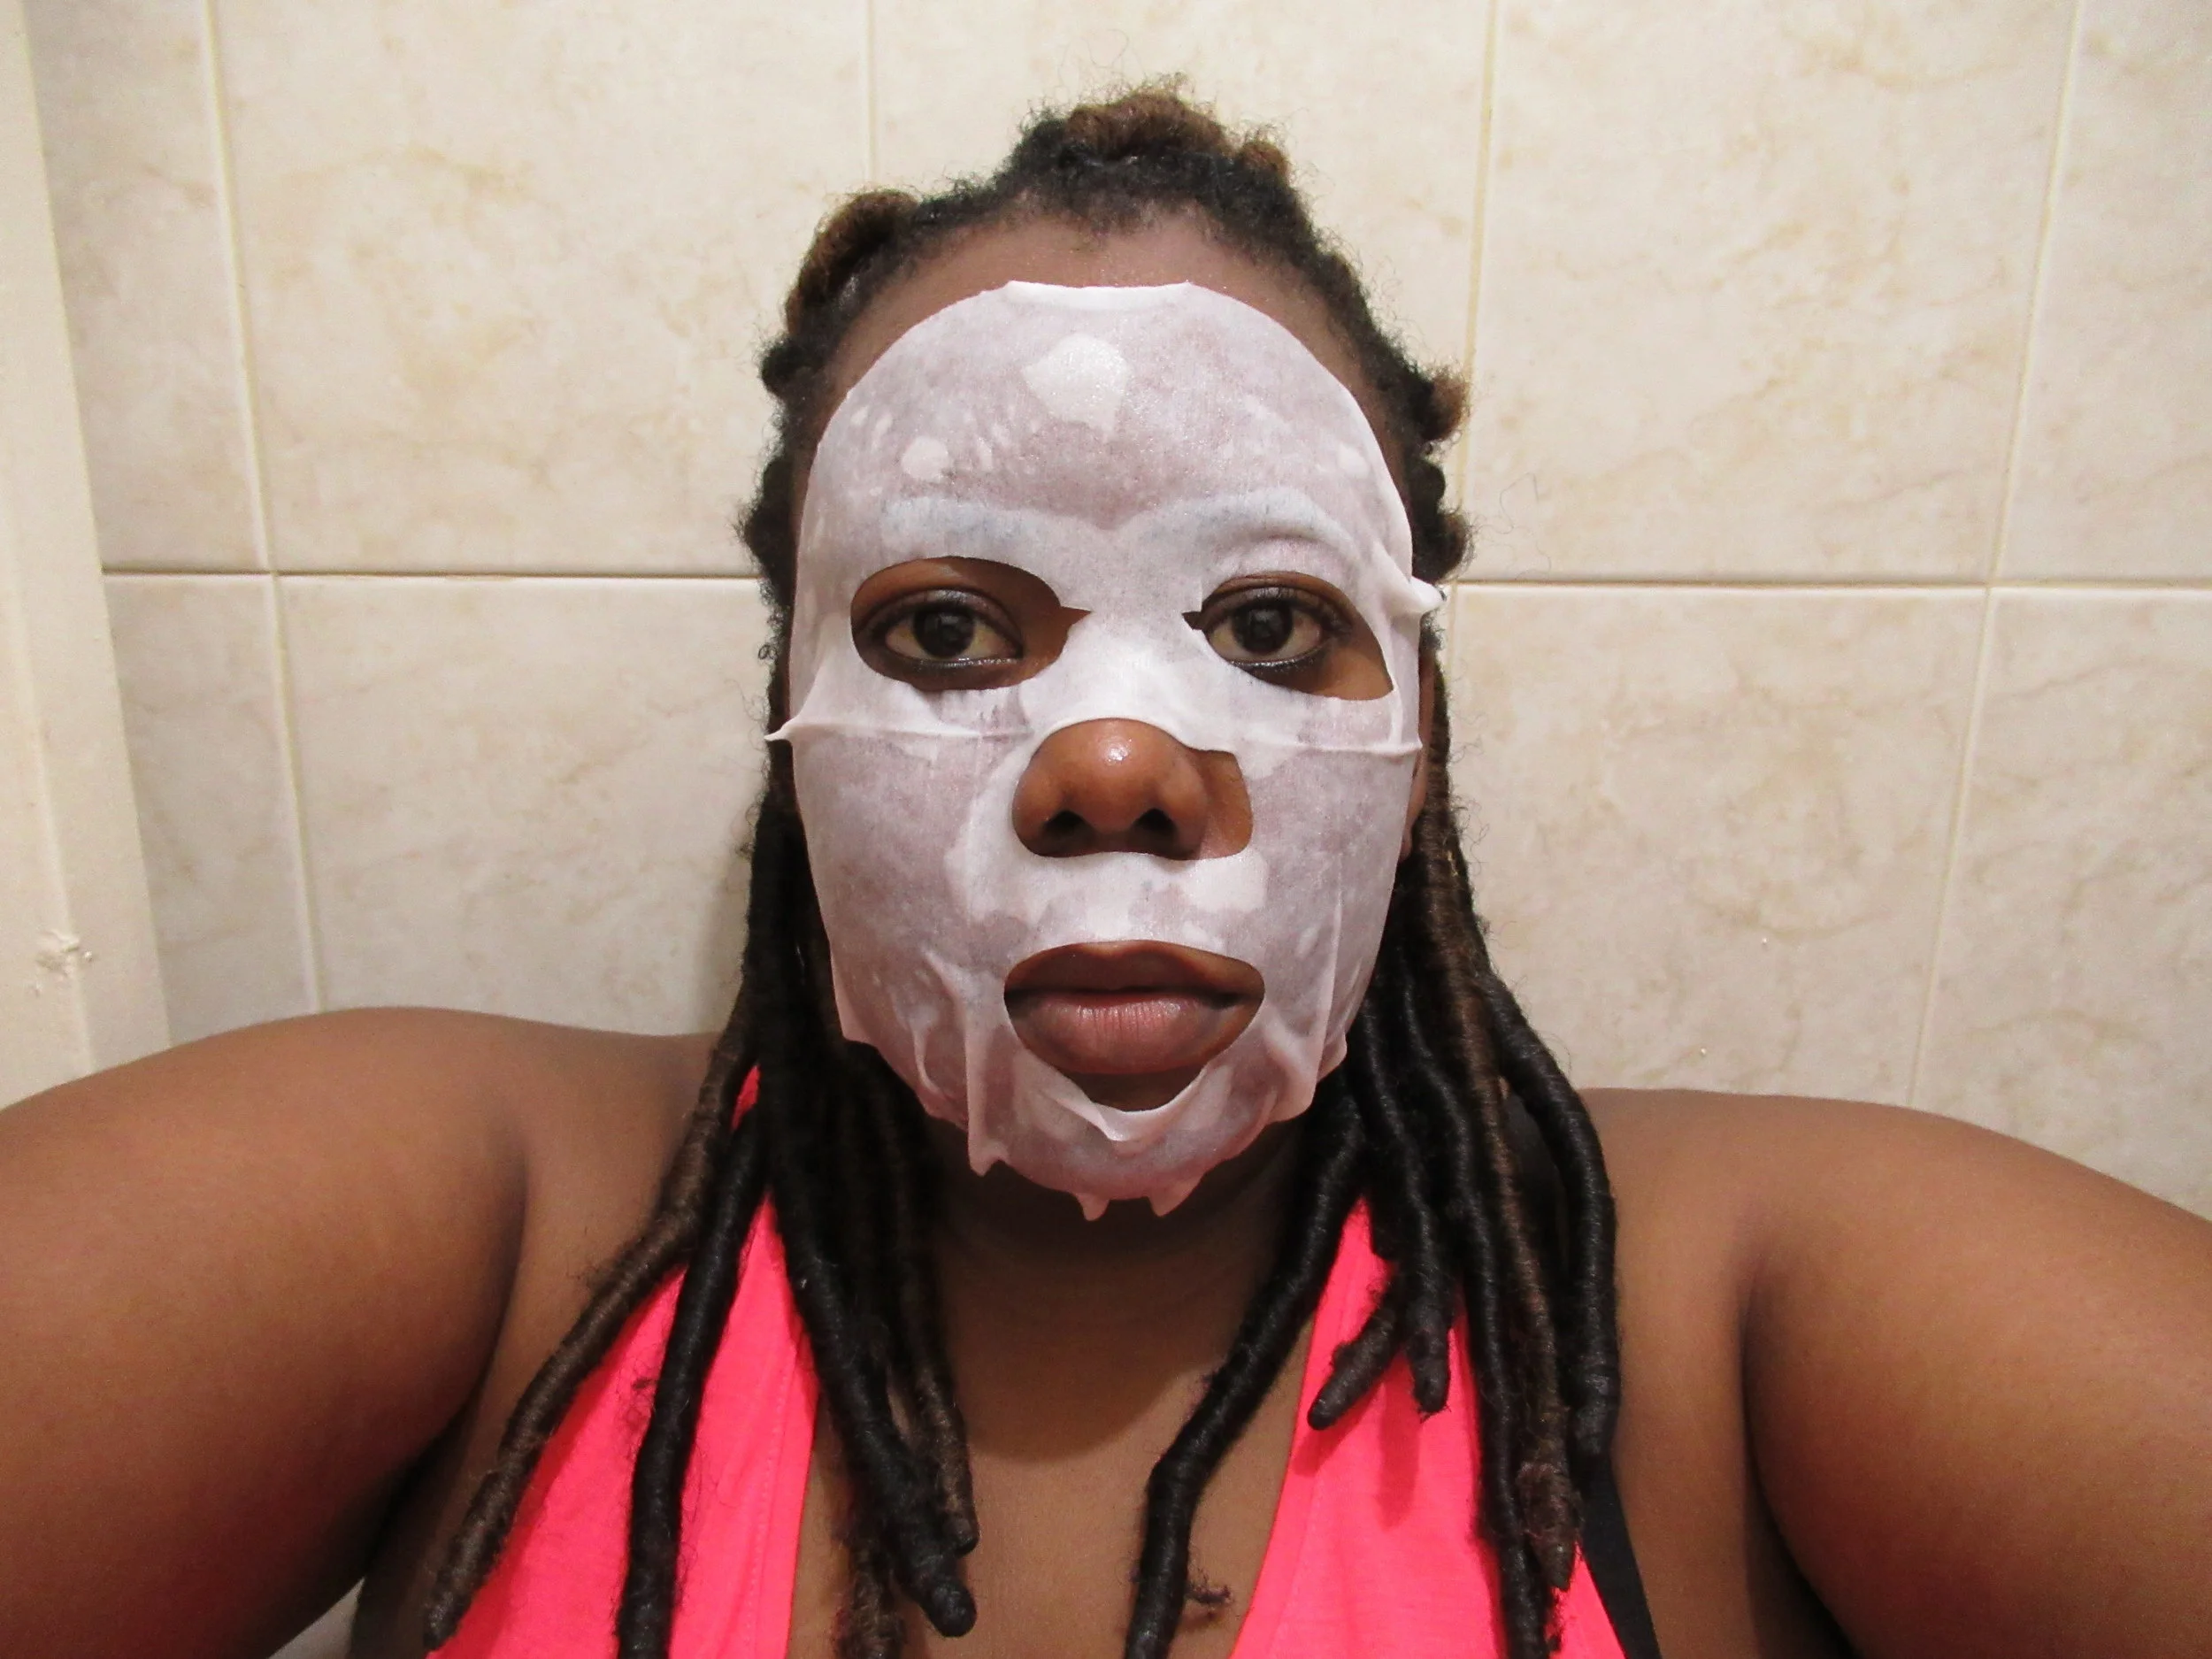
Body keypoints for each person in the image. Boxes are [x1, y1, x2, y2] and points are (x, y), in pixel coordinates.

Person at [2, 88, 2207, 1659]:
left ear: (1415, 744)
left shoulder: (1733, 1310)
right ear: (787, 725)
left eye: (1266, 623)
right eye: (948, 628)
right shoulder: (485, 1228)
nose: (1118, 762)